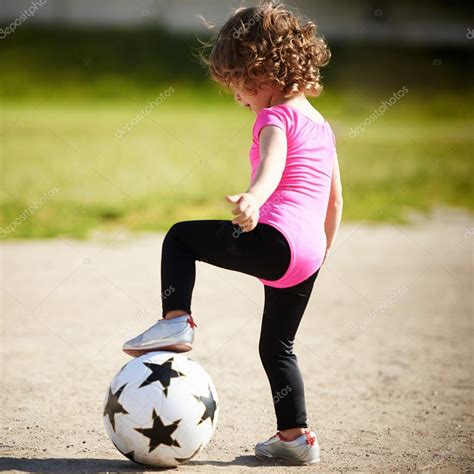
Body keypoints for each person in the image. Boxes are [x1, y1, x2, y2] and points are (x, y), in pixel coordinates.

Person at [122, 0, 343, 465]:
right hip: (309, 254)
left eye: (237, 86)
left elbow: (272, 161)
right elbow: (335, 200)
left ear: (262, 73)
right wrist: (321, 251)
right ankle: (294, 438)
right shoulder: (322, 125)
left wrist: (255, 198)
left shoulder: (274, 119)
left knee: (180, 236)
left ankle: (176, 319)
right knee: (277, 346)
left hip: (276, 240)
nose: (236, 97)